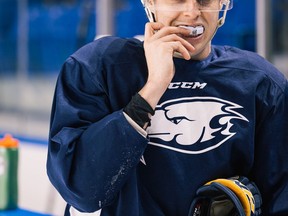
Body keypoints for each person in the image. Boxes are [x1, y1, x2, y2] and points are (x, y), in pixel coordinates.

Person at [46, 0, 288, 215]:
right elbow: (82, 192)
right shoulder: (98, 68)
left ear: (223, 4)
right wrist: (152, 88)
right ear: (150, 3)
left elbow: (280, 198)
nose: (192, 11)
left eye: (205, 1)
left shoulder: (261, 84)